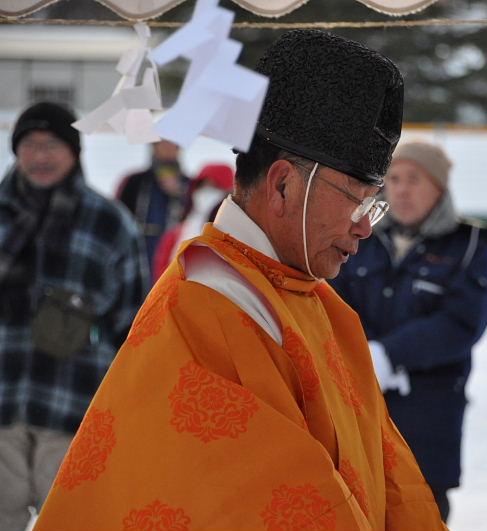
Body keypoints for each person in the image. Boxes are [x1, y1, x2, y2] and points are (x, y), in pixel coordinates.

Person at [34, 30, 447, 530]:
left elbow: (386, 474)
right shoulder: (208, 307)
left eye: (373, 206)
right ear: (283, 185)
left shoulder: (316, 301)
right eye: (359, 201)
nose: (366, 225)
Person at [330, 140, 487, 522]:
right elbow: (334, 301)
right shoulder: (359, 238)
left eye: (414, 180)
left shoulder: (468, 247)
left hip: (429, 413)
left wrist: (390, 354)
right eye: (394, 179)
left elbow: (461, 322)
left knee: (418, 511)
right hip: (357, 402)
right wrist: (363, 351)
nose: (402, 189)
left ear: (439, 188)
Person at [0, 102, 148, 531]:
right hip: (2, 402)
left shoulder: (110, 223)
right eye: (30, 144)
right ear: (16, 150)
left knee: (74, 522)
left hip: (72, 406)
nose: (40, 155)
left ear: (74, 151)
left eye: (52, 145)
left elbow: (134, 324)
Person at [116, 139, 190, 279]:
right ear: (153, 147)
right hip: (141, 250)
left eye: (173, 143)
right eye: (163, 143)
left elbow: (195, 220)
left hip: (175, 252)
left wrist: (179, 194)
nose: (168, 148)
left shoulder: (189, 185)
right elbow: (120, 218)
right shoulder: (135, 182)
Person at [151, 162, 234, 279]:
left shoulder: (236, 235)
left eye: (215, 187)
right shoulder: (175, 235)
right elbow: (160, 277)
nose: (206, 192)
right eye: (202, 186)